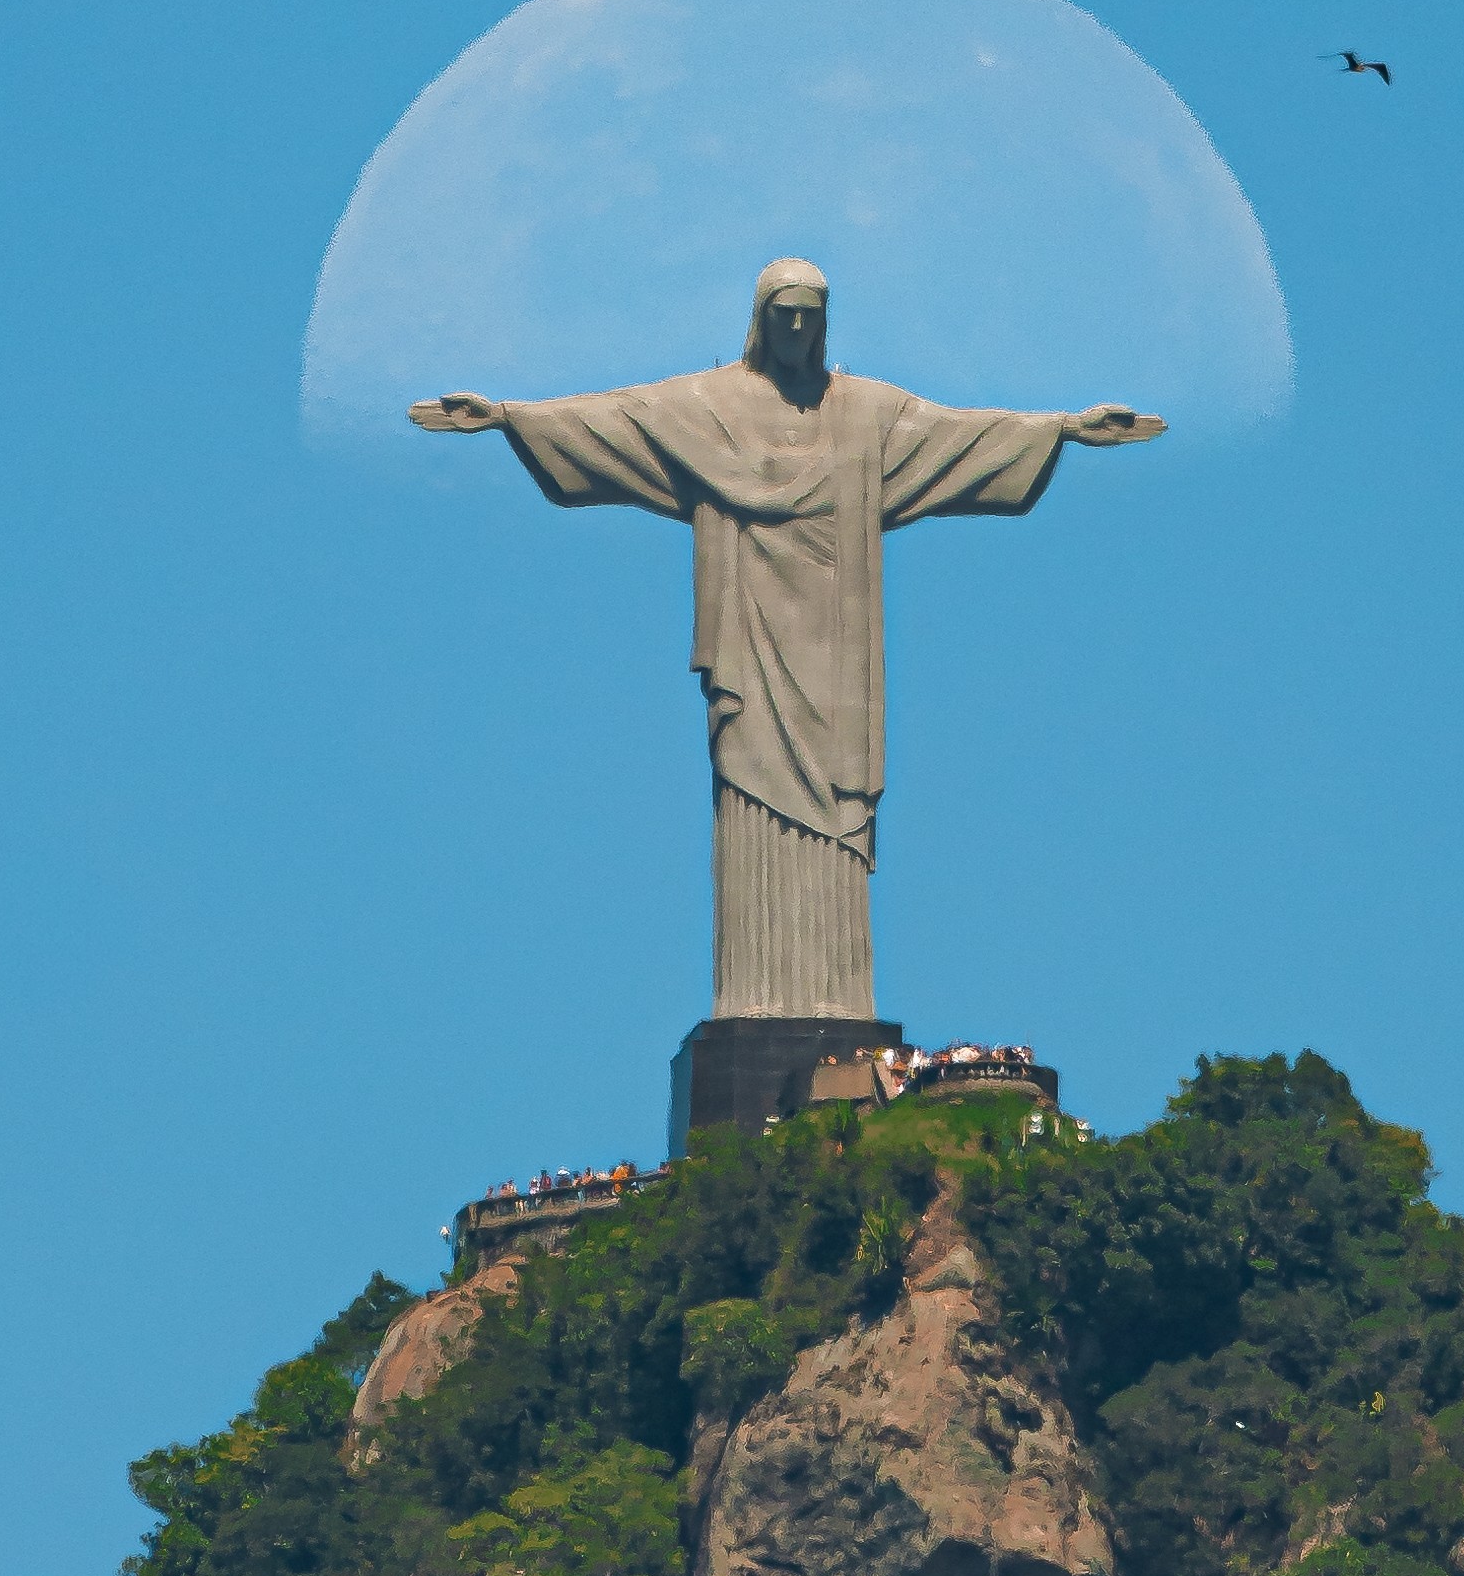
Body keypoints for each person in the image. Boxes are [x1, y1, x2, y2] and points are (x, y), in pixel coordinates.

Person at [410, 259, 1163, 1021]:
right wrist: (508, 416)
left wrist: (1062, 429)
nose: (797, 330)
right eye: (784, 316)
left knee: (837, 809)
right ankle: (753, 997)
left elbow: (956, 435)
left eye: (810, 316)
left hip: (836, 650)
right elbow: (617, 419)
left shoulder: (865, 414)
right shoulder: (707, 407)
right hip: (750, 641)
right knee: (749, 783)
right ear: (760, 320)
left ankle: (837, 998)